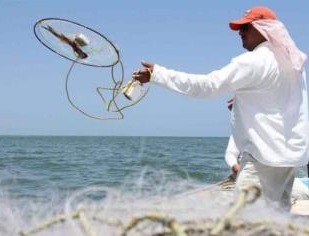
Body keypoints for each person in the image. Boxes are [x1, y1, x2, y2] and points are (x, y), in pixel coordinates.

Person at [132, 6, 308, 209]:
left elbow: (207, 86)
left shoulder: (254, 61)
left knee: (246, 222)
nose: (240, 33)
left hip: (263, 159)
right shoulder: (293, 62)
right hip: (289, 160)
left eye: (245, 28)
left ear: (263, 29)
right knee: (278, 220)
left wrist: (158, 74)